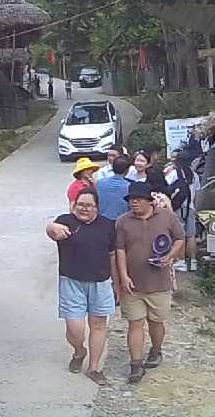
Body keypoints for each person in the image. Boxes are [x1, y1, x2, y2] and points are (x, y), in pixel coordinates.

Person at [114, 182, 185, 384]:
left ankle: (156, 350)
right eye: (131, 200)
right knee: (134, 323)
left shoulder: (167, 217)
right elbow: (119, 250)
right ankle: (136, 365)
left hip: (159, 283)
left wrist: (170, 256)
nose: (133, 203)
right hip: (132, 285)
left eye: (138, 199)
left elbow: (180, 238)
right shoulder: (122, 221)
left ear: (149, 201)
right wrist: (123, 276)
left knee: (156, 322)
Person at [45, 188, 114, 385]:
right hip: (71, 282)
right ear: (74, 205)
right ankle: (79, 350)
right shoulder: (65, 221)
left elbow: (113, 255)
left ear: (97, 207)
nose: (84, 208)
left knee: (98, 325)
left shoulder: (108, 225)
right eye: (80, 204)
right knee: (75, 329)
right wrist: (50, 227)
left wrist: (117, 282)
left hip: (100, 283)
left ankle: (94, 368)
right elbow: (51, 231)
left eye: (89, 205)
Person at [94, 155, 132, 221]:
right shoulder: (130, 186)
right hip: (121, 222)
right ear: (127, 170)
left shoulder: (100, 183)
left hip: (101, 220)